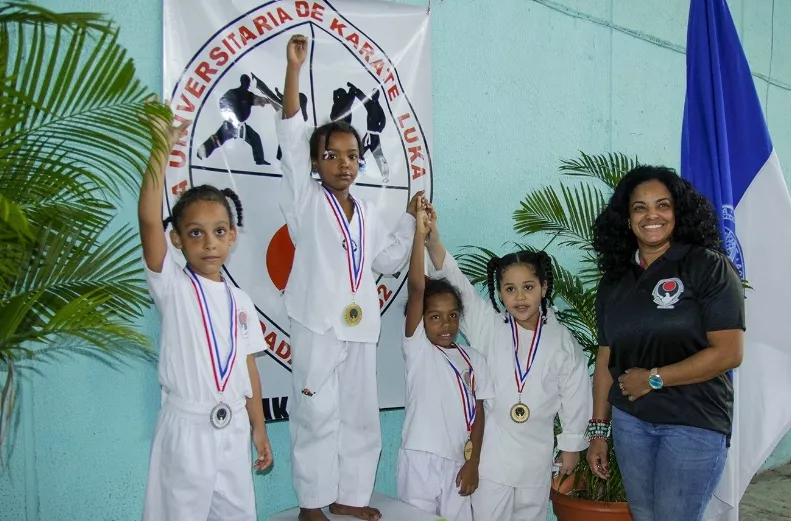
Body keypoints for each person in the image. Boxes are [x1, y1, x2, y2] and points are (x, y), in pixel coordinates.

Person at [275, 35, 420, 521]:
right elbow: (292, 135)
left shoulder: (369, 212)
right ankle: (312, 502)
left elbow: (386, 260)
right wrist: (294, 68)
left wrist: (410, 217)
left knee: (359, 417)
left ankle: (350, 496)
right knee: (316, 415)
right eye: (332, 155)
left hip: (359, 327)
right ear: (316, 163)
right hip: (316, 322)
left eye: (352, 155)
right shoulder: (305, 201)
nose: (344, 163)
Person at [587, 165, 745, 521]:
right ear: (627, 220)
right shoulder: (614, 282)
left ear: (678, 212)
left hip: (693, 421)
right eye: (639, 208)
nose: (651, 215)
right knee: (644, 515)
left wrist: (654, 378)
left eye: (663, 205)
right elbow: (605, 361)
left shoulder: (708, 267)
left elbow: (729, 352)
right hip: (632, 422)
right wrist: (599, 430)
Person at [138, 104, 273, 520]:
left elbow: (248, 367)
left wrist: (259, 428)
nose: (209, 243)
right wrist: (159, 149)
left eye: (218, 232)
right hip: (188, 428)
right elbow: (146, 221)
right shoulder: (173, 286)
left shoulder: (241, 302)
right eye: (195, 233)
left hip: (232, 425)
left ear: (232, 237)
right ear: (177, 239)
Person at [424, 213, 591, 520]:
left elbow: (577, 395)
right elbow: (457, 282)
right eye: (510, 289)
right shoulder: (489, 325)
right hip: (492, 460)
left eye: (528, 287)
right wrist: (433, 241)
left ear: (543, 286)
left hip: (536, 459)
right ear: (499, 292)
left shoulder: (562, 340)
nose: (519, 297)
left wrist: (571, 446)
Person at [396, 202, 493, 521]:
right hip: (420, 459)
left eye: (452, 316)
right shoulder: (419, 350)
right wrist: (418, 239)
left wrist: (473, 462)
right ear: (421, 320)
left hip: (458, 462)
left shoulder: (473, 357)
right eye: (435, 317)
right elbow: (416, 288)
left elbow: (479, 413)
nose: (446, 324)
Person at [197, 74, 272, 165]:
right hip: (230, 124)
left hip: (240, 126)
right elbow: (222, 101)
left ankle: (259, 160)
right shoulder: (233, 92)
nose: (247, 85)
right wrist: (230, 115)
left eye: (248, 83)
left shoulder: (249, 95)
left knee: (254, 137)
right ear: (242, 82)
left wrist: (271, 100)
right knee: (217, 139)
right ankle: (201, 152)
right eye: (246, 83)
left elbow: (259, 100)